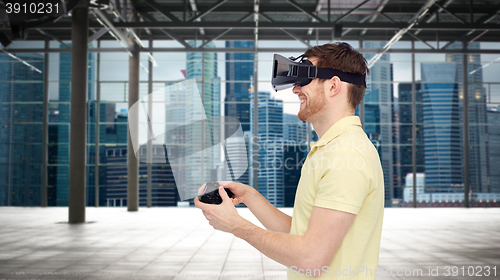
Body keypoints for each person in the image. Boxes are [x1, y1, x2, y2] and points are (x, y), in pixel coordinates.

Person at [195, 42, 384, 279]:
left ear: (334, 86)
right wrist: (249, 197)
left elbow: (311, 258)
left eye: (304, 79)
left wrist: (237, 226)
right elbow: (303, 234)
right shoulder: (334, 148)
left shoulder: (346, 154)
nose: (295, 90)